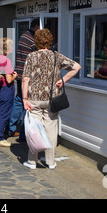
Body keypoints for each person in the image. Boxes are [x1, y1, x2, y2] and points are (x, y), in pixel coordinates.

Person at [21, 29, 81, 170]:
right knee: (51, 128)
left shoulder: (31, 56)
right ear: (49, 41)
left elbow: (25, 79)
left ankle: (32, 161)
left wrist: (24, 98)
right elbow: (76, 67)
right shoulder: (56, 56)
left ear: (36, 41)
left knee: (34, 129)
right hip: (51, 98)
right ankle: (50, 161)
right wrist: (63, 80)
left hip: (34, 98)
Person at [7, 19, 39, 139]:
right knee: (27, 102)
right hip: (27, 75)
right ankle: (23, 133)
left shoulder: (23, 36)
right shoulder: (32, 40)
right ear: (36, 26)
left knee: (18, 100)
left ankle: (11, 128)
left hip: (19, 72)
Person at [0, 37, 18, 147]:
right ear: (6, 48)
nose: (12, 48)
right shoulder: (6, 60)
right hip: (7, 89)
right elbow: (8, 79)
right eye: (11, 46)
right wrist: (14, 76)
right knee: (4, 114)